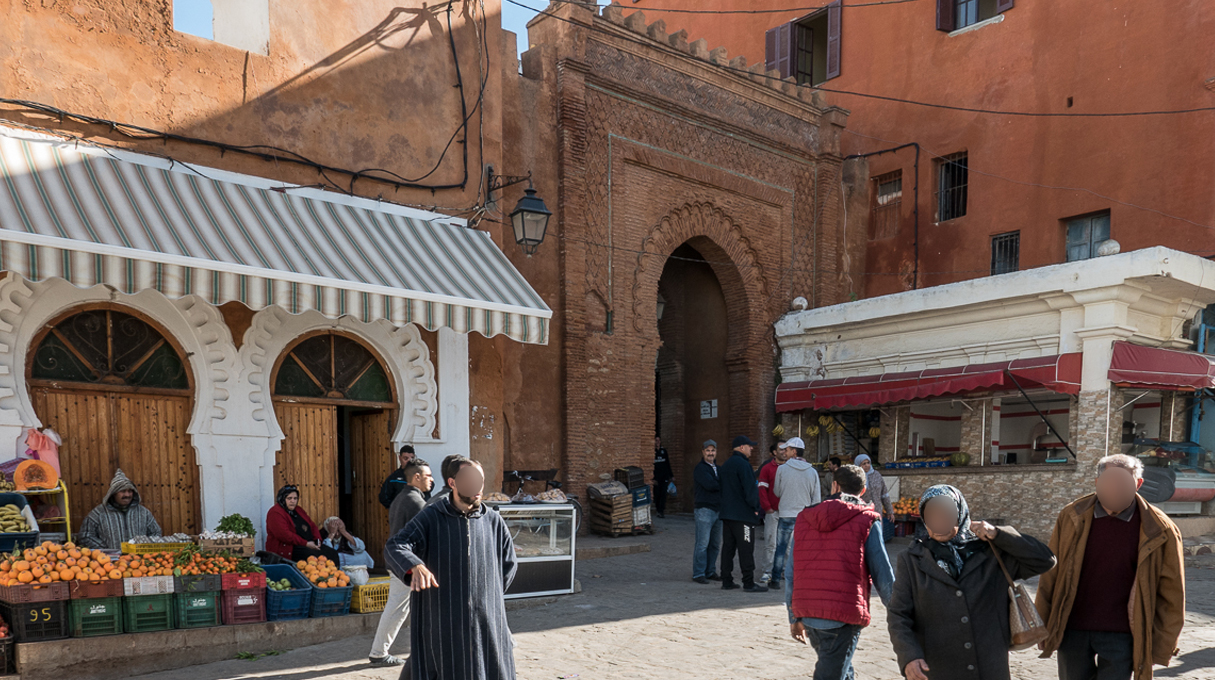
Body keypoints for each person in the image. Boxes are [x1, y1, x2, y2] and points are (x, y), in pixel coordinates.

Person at [1036, 454, 1185, 680]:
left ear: (1138, 484)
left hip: (1123, 634)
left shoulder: (1160, 529)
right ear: (1097, 483)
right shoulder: (1072, 516)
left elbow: (1172, 592)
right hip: (1072, 628)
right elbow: (1050, 574)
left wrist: (1162, 644)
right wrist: (1043, 624)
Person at [888, 485, 1056, 680]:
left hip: (989, 666)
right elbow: (899, 615)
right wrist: (909, 656)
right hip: (938, 668)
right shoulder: (912, 559)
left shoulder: (990, 552)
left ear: (959, 513)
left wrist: (998, 534)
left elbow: (1045, 560)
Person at [385, 456, 517, 680]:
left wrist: (484, 595)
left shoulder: (494, 521)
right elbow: (395, 545)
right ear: (453, 483)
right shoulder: (432, 516)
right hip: (442, 619)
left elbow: (508, 565)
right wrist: (415, 564)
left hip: (487, 621)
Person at [786, 464, 893, 680]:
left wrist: (794, 616)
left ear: (834, 485)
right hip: (843, 617)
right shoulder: (867, 520)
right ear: (863, 491)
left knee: (841, 667)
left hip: (808, 613)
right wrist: (902, 614)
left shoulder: (805, 518)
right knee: (834, 670)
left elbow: (791, 572)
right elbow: (883, 575)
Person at [370, 460, 435, 667]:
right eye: (428, 476)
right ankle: (379, 652)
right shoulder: (416, 502)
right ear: (417, 477)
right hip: (408, 566)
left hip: (401, 563)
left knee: (402, 608)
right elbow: (426, 537)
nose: (431, 480)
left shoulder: (402, 497)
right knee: (397, 608)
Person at [718, 435, 766, 592]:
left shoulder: (726, 465)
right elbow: (750, 490)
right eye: (749, 446)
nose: (751, 448)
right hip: (743, 516)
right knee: (746, 549)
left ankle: (726, 580)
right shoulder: (744, 465)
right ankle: (748, 582)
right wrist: (756, 507)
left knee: (728, 548)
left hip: (727, 514)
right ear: (741, 447)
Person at [772, 437, 820, 590]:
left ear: (794, 451)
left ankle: (775, 579)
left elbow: (777, 492)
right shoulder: (812, 472)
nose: (783, 452)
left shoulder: (781, 469)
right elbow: (816, 499)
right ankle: (803, 578)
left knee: (780, 547)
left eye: (786, 449)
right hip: (804, 516)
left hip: (785, 513)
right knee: (804, 548)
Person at [77, 469, 162, 550]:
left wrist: (143, 545)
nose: (127, 495)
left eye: (130, 491)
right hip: (109, 562)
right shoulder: (99, 513)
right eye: (123, 491)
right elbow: (85, 536)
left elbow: (156, 532)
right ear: (113, 493)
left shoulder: (143, 512)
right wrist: (106, 549)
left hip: (139, 561)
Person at [265, 484, 338, 562]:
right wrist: (306, 543)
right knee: (312, 556)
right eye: (289, 498)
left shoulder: (298, 510)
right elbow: (284, 535)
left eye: (295, 498)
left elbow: (312, 525)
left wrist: (317, 539)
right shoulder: (275, 512)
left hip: (307, 544)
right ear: (282, 499)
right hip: (290, 548)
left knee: (332, 553)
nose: (292, 501)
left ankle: (333, 573)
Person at [691, 440, 723, 584]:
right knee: (702, 543)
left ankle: (710, 571)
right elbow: (710, 485)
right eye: (708, 450)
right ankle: (698, 573)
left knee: (715, 544)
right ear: (703, 452)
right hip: (704, 509)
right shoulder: (700, 469)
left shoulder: (719, 468)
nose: (711, 453)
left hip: (718, 510)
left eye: (713, 450)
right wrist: (722, 484)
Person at [758, 440, 787, 585]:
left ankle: (784, 571)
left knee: (787, 545)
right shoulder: (767, 468)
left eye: (785, 449)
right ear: (774, 452)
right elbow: (762, 489)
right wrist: (767, 508)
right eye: (781, 449)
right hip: (773, 512)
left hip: (788, 512)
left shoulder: (791, 468)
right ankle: (767, 571)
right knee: (771, 543)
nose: (784, 451)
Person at [854, 454, 893, 523]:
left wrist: (889, 511)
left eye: (868, 463)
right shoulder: (856, 478)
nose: (866, 465)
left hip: (877, 511)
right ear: (858, 465)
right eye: (863, 464)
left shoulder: (877, 475)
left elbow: (884, 494)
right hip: (862, 512)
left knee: (876, 531)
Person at [379, 444, 420, 509]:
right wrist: (396, 509)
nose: (409, 461)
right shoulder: (393, 478)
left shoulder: (421, 475)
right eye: (405, 458)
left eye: (412, 458)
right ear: (400, 458)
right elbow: (384, 497)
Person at [653, 436, 674, 518]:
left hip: (664, 477)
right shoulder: (652, 452)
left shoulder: (664, 451)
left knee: (663, 494)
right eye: (656, 440)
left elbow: (668, 464)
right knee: (657, 494)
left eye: (658, 440)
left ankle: (661, 511)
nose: (657, 442)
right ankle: (658, 509)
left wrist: (671, 476)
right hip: (656, 478)